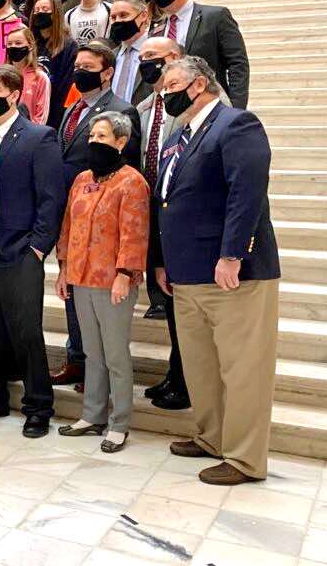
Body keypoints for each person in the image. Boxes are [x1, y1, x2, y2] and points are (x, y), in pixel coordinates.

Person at [154, 57, 279, 485]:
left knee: (242, 369)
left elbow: (247, 191)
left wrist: (233, 253)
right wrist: (163, 260)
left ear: (199, 84)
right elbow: (168, 201)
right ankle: (211, 436)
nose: (162, 92)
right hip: (188, 272)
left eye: (171, 84)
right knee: (201, 365)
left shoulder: (236, 124)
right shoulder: (178, 136)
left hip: (232, 273)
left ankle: (245, 458)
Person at [0, 64, 65, 437]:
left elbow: (51, 197)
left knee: (26, 331)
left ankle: (39, 404)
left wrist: (39, 246)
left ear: (14, 94)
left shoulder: (40, 137)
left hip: (21, 249)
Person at [56, 111, 150, 453]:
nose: (94, 142)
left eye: (103, 136)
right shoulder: (82, 178)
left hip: (113, 282)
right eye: (92, 136)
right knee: (91, 352)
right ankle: (92, 414)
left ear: (121, 142)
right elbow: (68, 225)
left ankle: (119, 422)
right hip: (81, 277)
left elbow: (135, 233)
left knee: (114, 354)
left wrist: (125, 275)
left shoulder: (132, 182)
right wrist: (64, 269)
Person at [51, 41, 141, 388]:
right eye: (77, 66)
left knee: (96, 300)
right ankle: (77, 358)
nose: (79, 72)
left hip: (103, 215)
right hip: (73, 207)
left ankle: (96, 367)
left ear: (107, 73)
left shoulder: (121, 110)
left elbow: (122, 165)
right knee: (73, 290)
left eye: (88, 68)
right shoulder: (73, 107)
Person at [136, 37, 190, 410]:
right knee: (169, 299)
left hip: (181, 213)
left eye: (152, 58)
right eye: (141, 59)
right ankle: (175, 372)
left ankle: (188, 379)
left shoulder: (189, 107)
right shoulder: (142, 108)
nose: (145, 65)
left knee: (185, 304)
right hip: (153, 211)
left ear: (174, 59)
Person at [150, 0, 250, 109]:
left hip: (209, 105)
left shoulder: (216, 17)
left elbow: (238, 65)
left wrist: (236, 109)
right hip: (169, 109)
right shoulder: (155, 30)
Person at [31, 0, 78, 129]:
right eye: (37, 10)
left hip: (54, 112)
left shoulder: (69, 46)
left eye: (45, 9)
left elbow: (66, 85)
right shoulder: (31, 43)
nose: (40, 13)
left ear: (56, 13)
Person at [110, 0, 153, 106]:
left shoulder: (158, 54)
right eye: (113, 17)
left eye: (123, 15)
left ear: (143, 15)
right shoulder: (110, 57)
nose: (117, 21)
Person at [5, 27, 51, 125]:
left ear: (30, 46)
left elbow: (41, 117)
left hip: (28, 134)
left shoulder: (40, 77)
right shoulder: (3, 75)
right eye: (9, 44)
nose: (13, 47)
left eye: (18, 43)